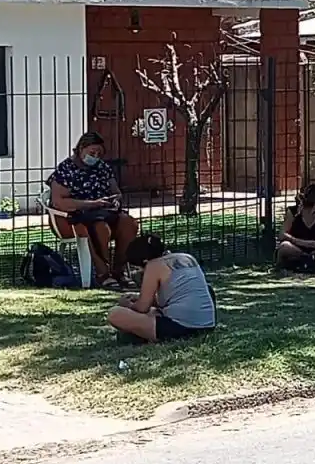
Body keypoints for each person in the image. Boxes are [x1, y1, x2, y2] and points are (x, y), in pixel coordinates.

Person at [48, 132, 139, 289]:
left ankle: (119, 270)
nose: (96, 156)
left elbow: (115, 191)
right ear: (81, 149)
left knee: (128, 223)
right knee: (100, 228)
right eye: (92, 153)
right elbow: (58, 201)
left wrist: (115, 200)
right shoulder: (66, 169)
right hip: (74, 217)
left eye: (99, 154)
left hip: (103, 212)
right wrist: (91, 204)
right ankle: (103, 273)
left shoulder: (102, 168)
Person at [106, 233, 216, 344]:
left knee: (115, 314)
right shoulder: (187, 257)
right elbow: (174, 296)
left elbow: (142, 308)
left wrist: (127, 304)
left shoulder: (153, 265)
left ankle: (140, 335)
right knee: (153, 312)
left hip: (181, 327)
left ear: (144, 261)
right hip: (206, 325)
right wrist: (138, 297)